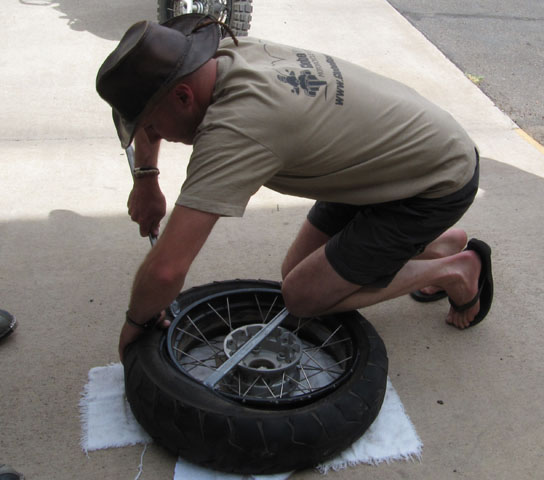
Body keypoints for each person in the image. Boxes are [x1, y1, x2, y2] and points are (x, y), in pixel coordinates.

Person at [95, 14, 494, 359]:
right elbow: (154, 101)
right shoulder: (220, 58)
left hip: (432, 183)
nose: (151, 134)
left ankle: (453, 269)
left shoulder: (239, 126)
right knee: (296, 272)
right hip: (380, 163)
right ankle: (437, 244)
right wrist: (146, 178)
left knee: (303, 297)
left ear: (182, 96)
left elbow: (167, 270)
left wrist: (135, 324)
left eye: (150, 126)